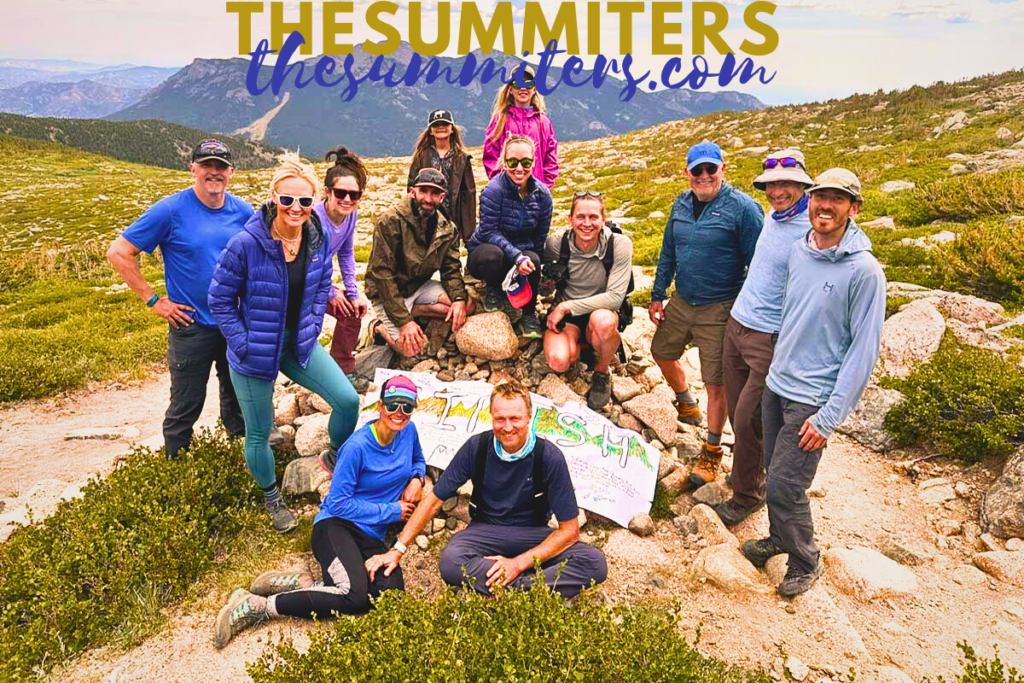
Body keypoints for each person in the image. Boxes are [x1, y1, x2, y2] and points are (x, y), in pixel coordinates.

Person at [740, 169, 885, 597]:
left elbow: (863, 351)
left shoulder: (864, 271)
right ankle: (778, 537)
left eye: (838, 199)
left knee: (788, 483)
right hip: (778, 382)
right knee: (774, 468)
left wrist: (828, 419)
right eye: (821, 196)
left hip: (813, 400)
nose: (826, 205)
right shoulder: (802, 250)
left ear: (853, 208)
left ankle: (805, 559)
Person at [212, 375, 425, 650]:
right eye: (393, 405)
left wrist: (417, 479)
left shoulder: (409, 432)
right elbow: (337, 503)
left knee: (389, 599)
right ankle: (258, 606)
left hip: (371, 537)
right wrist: (391, 511)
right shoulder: (357, 448)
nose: (399, 413)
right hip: (336, 527)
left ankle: (303, 583)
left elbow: (418, 458)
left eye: (407, 407)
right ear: (380, 406)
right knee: (353, 596)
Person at [208, 152, 360, 534]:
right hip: (254, 349)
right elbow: (219, 300)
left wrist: (310, 324)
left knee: (347, 400)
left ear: (314, 203)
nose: (295, 207)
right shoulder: (246, 243)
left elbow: (322, 285)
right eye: (287, 199)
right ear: (273, 197)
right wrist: (241, 343)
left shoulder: (317, 239)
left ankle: (335, 455)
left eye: (304, 201)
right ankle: (271, 496)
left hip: (298, 344)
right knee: (259, 432)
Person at [365, 379, 607, 599]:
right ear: (491, 417)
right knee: (450, 561)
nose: (508, 427)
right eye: (500, 419)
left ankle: (508, 586)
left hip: (532, 533)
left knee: (594, 563)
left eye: (515, 419)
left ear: (529, 417)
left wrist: (517, 563)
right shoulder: (477, 447)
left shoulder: (549, 457)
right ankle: (529, 591)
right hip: (485, 532)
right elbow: (435, 500)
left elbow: (570, 531)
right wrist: (397, 549)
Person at [107, 140, 250, 459]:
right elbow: (118, 252)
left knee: (238, 399)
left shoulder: (243, 211)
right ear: (193, 169)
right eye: (207, 165)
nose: (214, 172)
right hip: (191, 326)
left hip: (235, 323)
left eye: (221, 166)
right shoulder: (170, 210)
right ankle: (175, 468)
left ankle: (241, 464)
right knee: (186, 404)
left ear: (231, 172)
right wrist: (154, 300)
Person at [649, 141, 764, 490]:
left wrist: (746, 310)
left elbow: (758, 264)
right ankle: (686, 401)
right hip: (682, 300)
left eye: (710, 169)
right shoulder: (681, 204)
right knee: (661, 352)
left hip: (721, 306)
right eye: (696, 170)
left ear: (722, 169)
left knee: (717, 382)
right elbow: (669, 250)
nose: (703, 176)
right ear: (687, 173)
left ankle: (712, 450)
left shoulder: (744, 209)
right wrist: (657, 294)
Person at [714, 150, 814, 527]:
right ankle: (747, 474)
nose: (777, 192)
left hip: (767, 336)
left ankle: (747, 496)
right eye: (772, 185)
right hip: (739, 324)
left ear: (803, 184)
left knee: (749, 416)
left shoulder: (810, 227)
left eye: (786, 184)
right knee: (741, 412)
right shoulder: (774, 217)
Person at [364, 168, 472, 358]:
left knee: (465, 307)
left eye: (435, 193)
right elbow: (382, 275)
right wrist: (404, 321)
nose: (428, 199)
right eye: (423, 191)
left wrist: (458, 299)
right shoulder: (390, 221)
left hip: (418, 286)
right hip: (387, 293)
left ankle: (414, 310)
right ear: (412, 191)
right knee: (411, 350)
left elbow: (451, 268)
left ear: (442, 196)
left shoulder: (447, 228)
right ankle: (378, 326)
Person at [543, 191, 634, 411]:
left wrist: (565, 306)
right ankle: (589, 345)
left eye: (593, 217)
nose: (587, 223)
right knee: (559, 361)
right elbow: (544, 282)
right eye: (580, 217)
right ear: (570, 219)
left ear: (604, 219)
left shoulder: (619, 244)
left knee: (603, 322)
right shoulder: (556, 243)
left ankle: (602, 371)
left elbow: (614, 298)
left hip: (600, 310)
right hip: (569, 318)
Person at [468, 135, 553, 338]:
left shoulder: (543, 195)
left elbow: (540, 237)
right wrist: (517, 256)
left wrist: (537, 271)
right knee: (494, 255)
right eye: (512, 162)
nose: (519, 168)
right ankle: (493, 288)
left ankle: (528, 314)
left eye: (526, 162)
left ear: (533, 162)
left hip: (520, 254)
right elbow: (488, 231)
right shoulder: (493, 191)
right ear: (504, 162)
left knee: (533, 259)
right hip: (485, 253)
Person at [315, 146, 370, 375]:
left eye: (354, 195)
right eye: (340, 193)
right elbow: (310, 263)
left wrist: (353, 294)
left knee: (351, 312)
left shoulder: (350, 214)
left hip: (319, 283)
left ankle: (341, 369)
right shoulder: (314, 218)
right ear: (328, 192)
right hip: (299, 284)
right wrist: (331, 293)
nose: (347, 199)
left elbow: (346, 254)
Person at [482, 65, 559, 189]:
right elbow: (491, 156)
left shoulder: (543, 121)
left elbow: (551, 158)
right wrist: (502, 186)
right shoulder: (500, 120)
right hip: (506, 193)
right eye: (517, 84)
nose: (523, 88)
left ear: (534, 89)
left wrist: (543, 187)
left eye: (528, 84)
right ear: (510, 89)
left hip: (536, 193)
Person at [407, 109, 477, 244]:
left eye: (444, 124)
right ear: (430, 131)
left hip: (452, 218)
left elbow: (468, 195)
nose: (440, 127)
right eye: (436, 124)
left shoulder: (462, 159)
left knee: (451, 258)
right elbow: (411, 187)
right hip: (425, 214)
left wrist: (469, 234)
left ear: (452, 129)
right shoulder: (421, 156)